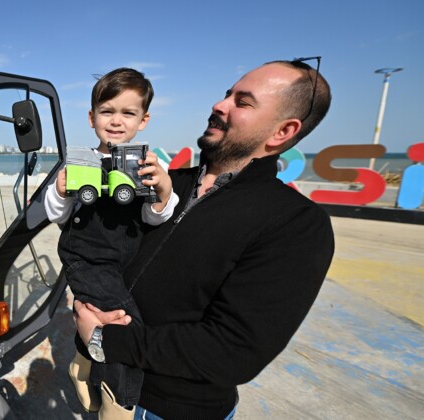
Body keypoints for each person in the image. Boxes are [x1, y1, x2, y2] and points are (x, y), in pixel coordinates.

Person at [74, 58, 335, 419]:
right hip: (111, 382)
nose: (219, 104)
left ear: (282, 132)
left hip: (172, 409)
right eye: (227, 94)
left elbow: (234, 351)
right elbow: (97, 248)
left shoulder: (297, 223)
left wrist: (107, 340)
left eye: (242, 102)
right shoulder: (163, 183)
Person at [43, 68, 178, 418]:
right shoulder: (78, 162)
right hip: (87, 258)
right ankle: (119, 404)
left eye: (128, 113)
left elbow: (153, 218)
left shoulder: (147, 163)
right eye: (107, 111)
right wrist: (58, 192)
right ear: (91, 118)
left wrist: (164, 192)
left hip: (126, 258)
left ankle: (83, 360)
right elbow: (57, 215)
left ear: (143, 120)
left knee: (102, 316)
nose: (116, 121)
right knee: (126, 325)